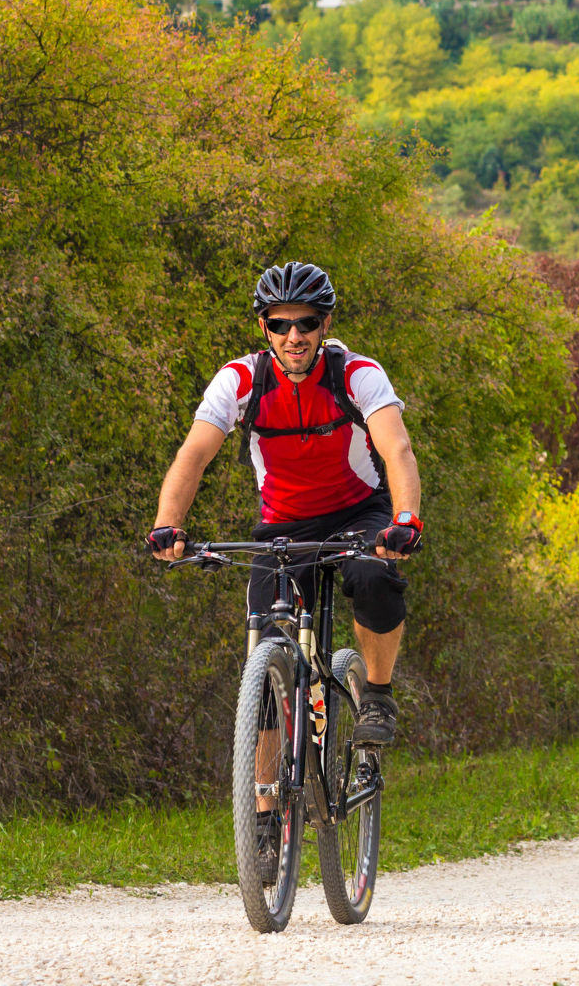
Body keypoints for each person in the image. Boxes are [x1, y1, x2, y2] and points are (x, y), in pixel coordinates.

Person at [146, 261, 422, 758]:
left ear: (325, 325)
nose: (293, 335)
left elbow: (395, 449)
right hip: (283, 526)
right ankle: (267, 818)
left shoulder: (358, 374)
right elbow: (194, 454)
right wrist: (167, 524)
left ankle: (377, 696)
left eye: (306, 323)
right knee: (266, 652)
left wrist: (405, 520)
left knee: (373, 577)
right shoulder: (241, 380)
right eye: (280, 323)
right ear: (264, 328)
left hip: (357, 512)